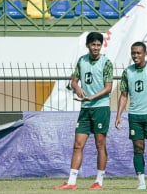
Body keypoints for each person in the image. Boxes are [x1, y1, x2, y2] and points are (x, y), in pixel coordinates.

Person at [53, 32, 113, 190]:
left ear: (102, 46)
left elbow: (108, 88)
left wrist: (92, 97)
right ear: (87, 45)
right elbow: (73, 81)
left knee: (100, 144)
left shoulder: (106, 62)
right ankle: (71, 182)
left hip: (100, 108)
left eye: (98, 45)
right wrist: (78, 88)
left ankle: (99, 181)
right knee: (78, 144)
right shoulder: (82, 61)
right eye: (93, 44)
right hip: (85, 109)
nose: (96, 47)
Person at [115, 41, 147, 190]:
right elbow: (124, 95)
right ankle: (141, 182)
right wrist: (119, 115)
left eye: (138, 53)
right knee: (138, 148)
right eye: (133, 53)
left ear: (145, 53)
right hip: (135, 116)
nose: (135, 56)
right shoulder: (127, 72)